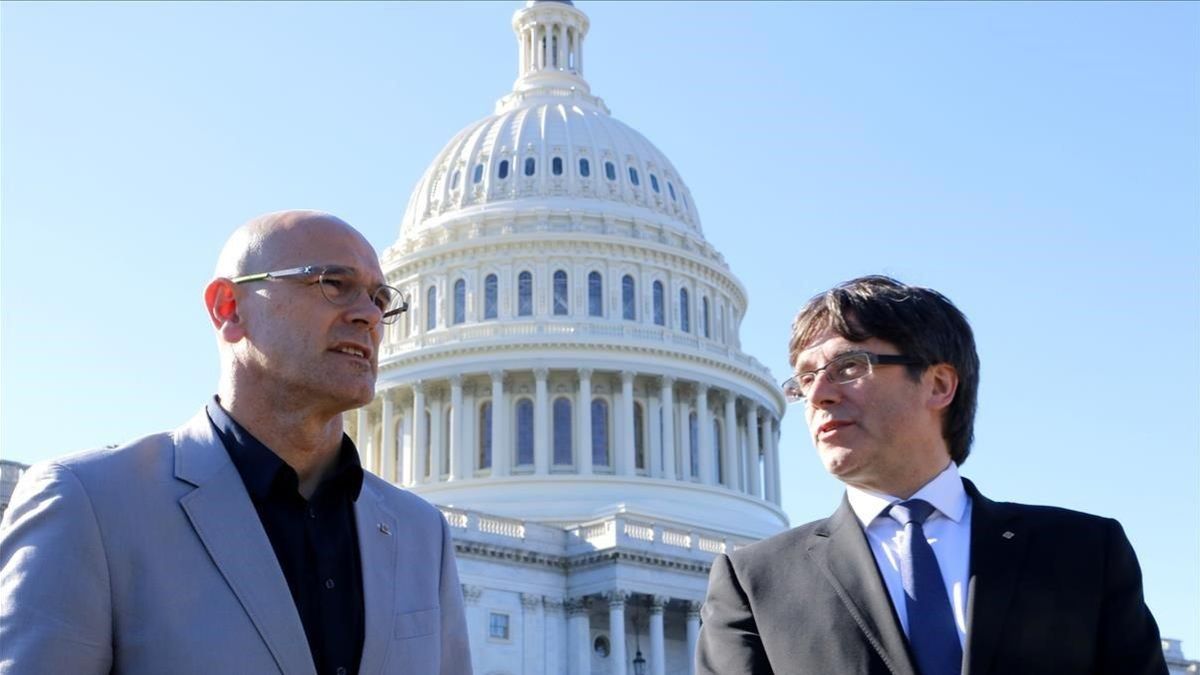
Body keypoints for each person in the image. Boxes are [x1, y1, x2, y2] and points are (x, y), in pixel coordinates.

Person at [0, 210, 472, 675]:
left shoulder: (421, 533)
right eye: (333, 282)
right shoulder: (91, 504)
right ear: (228, 308)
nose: (369, 315)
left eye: (378, 297)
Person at [696, 275, 1165, 675]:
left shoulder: (1083, 551)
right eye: (804, 379)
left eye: (848, 366)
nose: (818, 394)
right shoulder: (756, 584)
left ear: (939, 384)